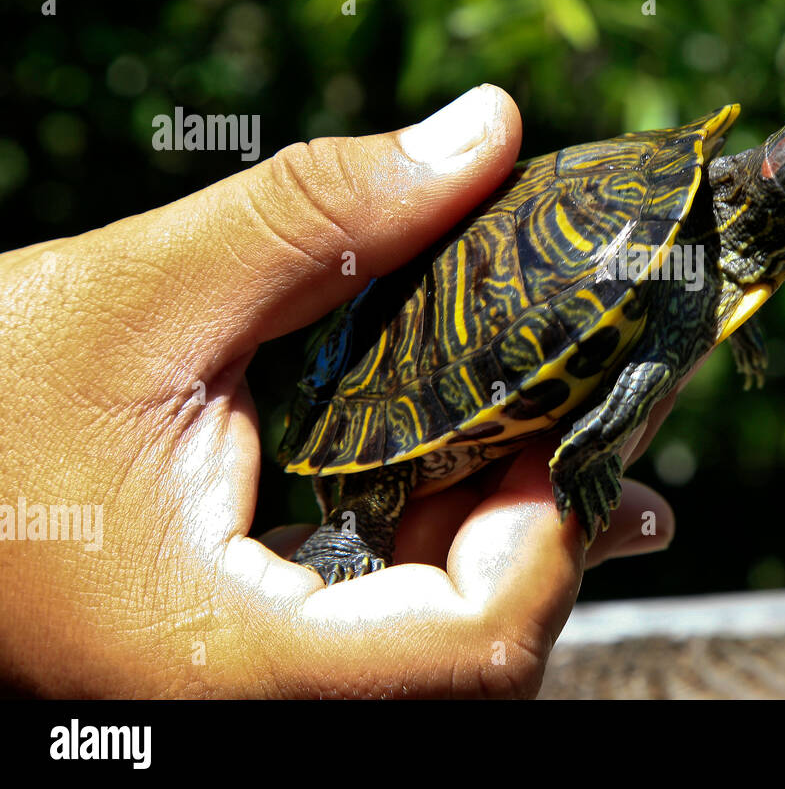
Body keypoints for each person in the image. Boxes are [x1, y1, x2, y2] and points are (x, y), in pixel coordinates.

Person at [0, 85, 675, 697]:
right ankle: (357, 524)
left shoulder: (686, 246)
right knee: (366, 533)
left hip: (504, 389)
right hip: (403, 398)